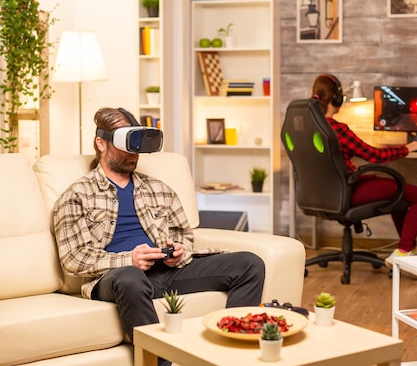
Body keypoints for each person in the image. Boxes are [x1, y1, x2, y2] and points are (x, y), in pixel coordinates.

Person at [52, 107, 265, 366]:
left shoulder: (158, 189)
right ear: (101, 143)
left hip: (165, 272)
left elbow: (183, 235)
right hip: (118, 279)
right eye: (126, 143)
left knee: (250, 264)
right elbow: (73, 258)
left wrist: (178, 251)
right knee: (131, 277)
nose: (134, 152)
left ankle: (229, 357)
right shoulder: (76, 195)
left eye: (137, 143)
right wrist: (128, 260)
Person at [311, 74, 417, 278]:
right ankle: (404, 252)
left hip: (322, 195)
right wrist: (407, 149)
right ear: (337, 99)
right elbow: (375, 155)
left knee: (399, 195)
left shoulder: (310, 128)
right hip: (348, 192)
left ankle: (409, 250)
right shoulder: (337, 129)